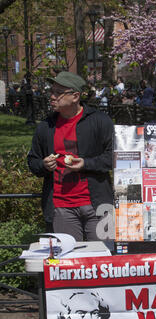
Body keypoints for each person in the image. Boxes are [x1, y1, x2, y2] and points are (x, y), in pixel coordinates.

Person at [27, 71, 114, 244]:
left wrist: (86, 163)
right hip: (61, 208)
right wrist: (44, 165)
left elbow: (114, 158)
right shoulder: (45, 127)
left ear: (75, 96)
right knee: (67, 262)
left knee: (104, 259)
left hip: (99, 206)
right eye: (51, 91)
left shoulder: (100, 121)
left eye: (58, 93)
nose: (52, 97)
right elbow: (32, 162)